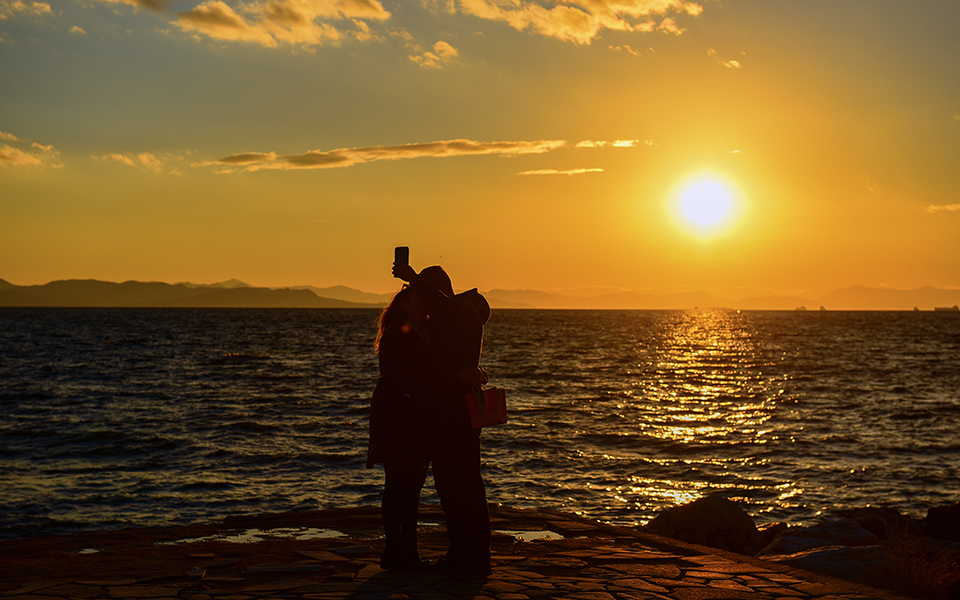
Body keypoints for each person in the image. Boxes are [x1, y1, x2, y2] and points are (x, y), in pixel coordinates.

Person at [392, 262, 493, 578]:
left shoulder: (454, 314)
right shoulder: (470, 314)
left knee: (454, 488)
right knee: (469, 486)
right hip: (466, 411)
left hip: (449, 414)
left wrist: (413, 278)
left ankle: (466, 556)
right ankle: (474, 554)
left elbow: (442, 308)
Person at [366, 286, 431, 571]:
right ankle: (396, 551)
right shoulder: (398, 333)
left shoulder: (421, 330)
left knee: (411, 487)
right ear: (404, 304)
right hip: (398, 417)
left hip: (411, 416)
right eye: (420, 298)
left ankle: (407, 552)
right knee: (398, 486)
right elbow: (396, 375)